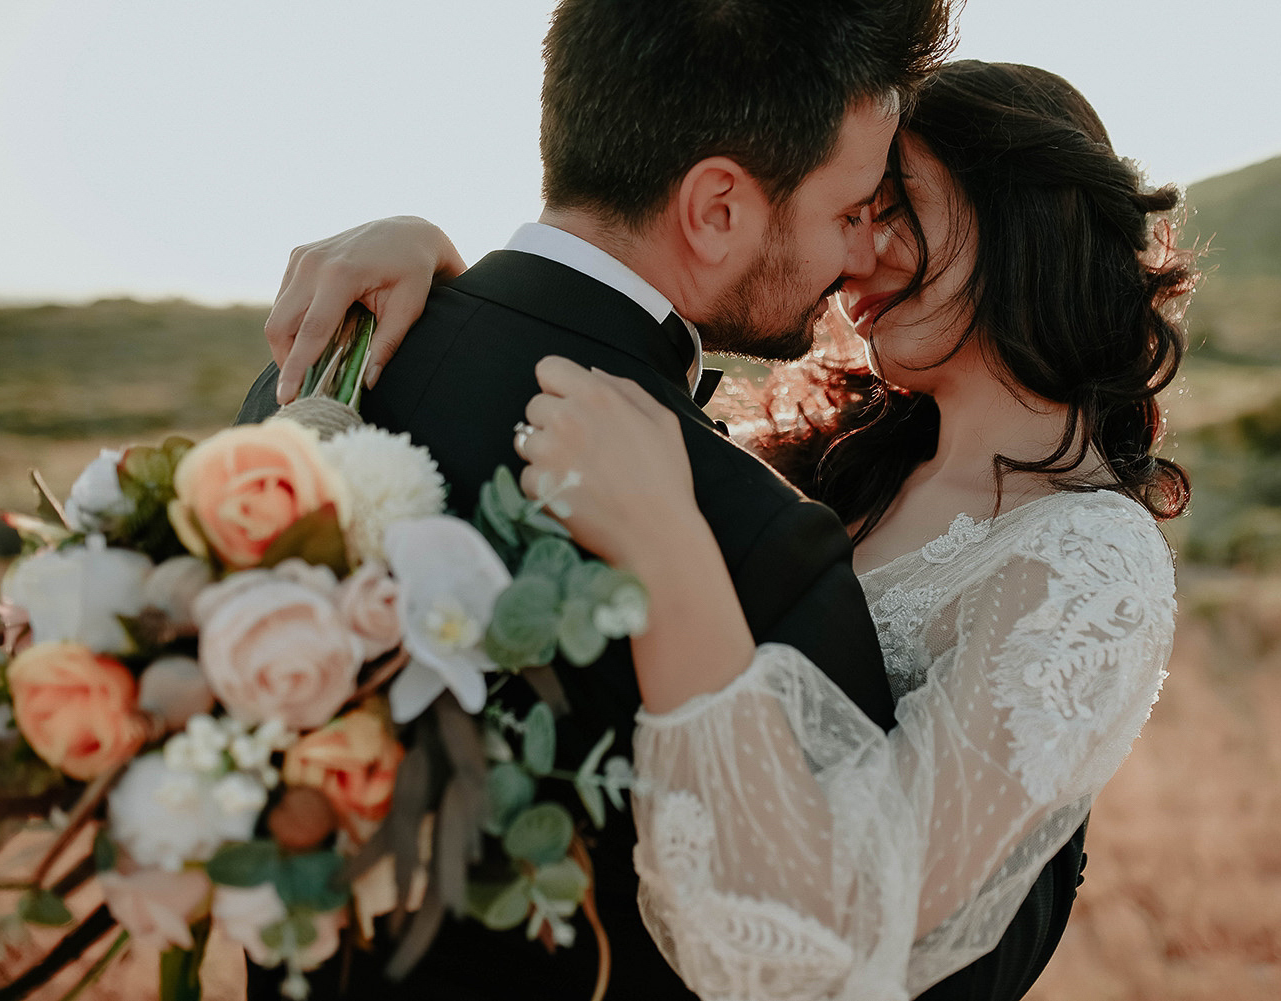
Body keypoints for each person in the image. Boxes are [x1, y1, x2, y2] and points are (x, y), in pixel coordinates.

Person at [263, 60, 1193, 1000]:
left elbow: (859, 915)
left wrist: (670, 552)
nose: (852, 263)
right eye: (851, 213)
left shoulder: (1090, 557)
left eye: (892, 207)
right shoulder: (830, 465)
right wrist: (451, 273)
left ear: (1020, 206)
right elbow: (577, 374)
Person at [236, 2, 964, 999]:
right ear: (718, 209)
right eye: (846, 213)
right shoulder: (760, 542)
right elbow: (842, 945)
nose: (852, 263)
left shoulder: (310, 389)